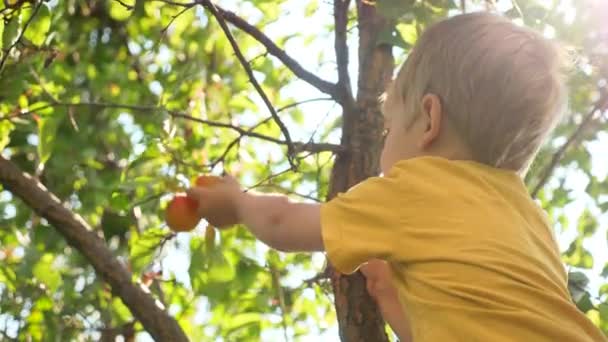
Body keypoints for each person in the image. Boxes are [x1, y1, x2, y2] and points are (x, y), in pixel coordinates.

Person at [187, 11, 607, 342]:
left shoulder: (417, 189)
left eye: (389, 127)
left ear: (429, 119)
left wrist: (239, 201)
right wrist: (391, 293)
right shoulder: (532, 221)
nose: (385, 140)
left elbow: (283, 224)